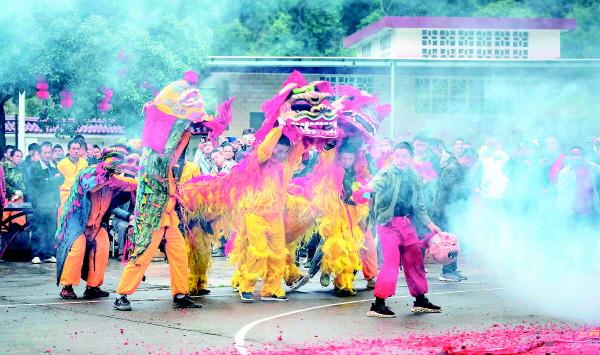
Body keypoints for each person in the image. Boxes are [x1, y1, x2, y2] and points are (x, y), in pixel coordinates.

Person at [114, 74, 206, 311]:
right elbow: (168, 151)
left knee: (179, 254)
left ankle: (180, 293)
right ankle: (122, 295)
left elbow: (174, 154)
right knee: (143, 254)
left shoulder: (166, 162)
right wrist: (182, 124)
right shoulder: (152, 158)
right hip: (152, 216)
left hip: (169, 216)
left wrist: (188, 131)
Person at [367, 142, 442, 317]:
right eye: (398, 156)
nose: (401, 160)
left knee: (415, 259)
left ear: (410, 158)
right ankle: (378, 304)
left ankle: (420, 299)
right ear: (394, 156)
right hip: (388, 224)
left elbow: (420, 204)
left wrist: (430, 224)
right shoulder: (387, 173)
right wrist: (365, 190)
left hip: (407, 224)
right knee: (391, 263)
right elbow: (374, 185)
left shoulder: (414, 176)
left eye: (404, 156)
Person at [428, 138, 467, 282]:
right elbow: (448, 187)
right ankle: (447, 271)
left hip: (448, 208)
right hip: (444, 209)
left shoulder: (447, 163)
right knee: (447, 241)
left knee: (452, 241)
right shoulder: (447, 165)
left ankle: (451, 269)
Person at [29, 142, 63, 265]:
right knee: (38, 229)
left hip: (52, 203)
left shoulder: (53, 166)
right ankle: (36, 254)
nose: (48, 155)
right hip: (40, 203)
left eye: (50, 152)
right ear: (40, 154)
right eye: (46, 153)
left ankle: (49, 254)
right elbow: (39, 183)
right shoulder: (35, 167)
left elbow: (62, 179)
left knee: (51, 229)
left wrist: (51, 180)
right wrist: (52, 180)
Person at [57, 140, 88, 214]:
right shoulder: (61, 164)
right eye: (73, 149)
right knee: (64, 220)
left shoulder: (85, 163)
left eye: (78, 149)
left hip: (79, 196)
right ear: (68, 150)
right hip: (65, 196)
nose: (76, 151)